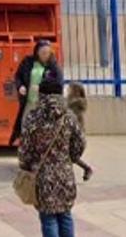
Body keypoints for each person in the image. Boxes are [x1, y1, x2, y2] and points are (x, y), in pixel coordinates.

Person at [19, 75, 85, 237]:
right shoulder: (68, 117)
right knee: (65, 214)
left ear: (41, 94)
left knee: (48, 218)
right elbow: (80, 143)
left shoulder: (33, 118)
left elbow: (25, 149)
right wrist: (69, 157)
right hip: (65, 174)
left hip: (43, 176)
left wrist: (26, 165)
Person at [8, 39, 62, 147]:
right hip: (29, 102)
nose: (45, 55)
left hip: (44, 104)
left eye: (47, 52)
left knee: (42, 131)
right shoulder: (28, 62)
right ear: (37, 52)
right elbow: (18, 76)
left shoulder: (53, 66)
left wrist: (41, 87)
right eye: (43, 52)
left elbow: (58, 84)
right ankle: (26, 152)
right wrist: (20, 86)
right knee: (25, 127)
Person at [64, 82, 93, 182]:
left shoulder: (77, 103)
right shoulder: (70, 102)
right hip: (71, 131)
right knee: (69, 156)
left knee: (71, 156)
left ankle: (86, 169)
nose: (68, 91)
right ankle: (86, 169)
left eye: (70, 89)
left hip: (77, 134)